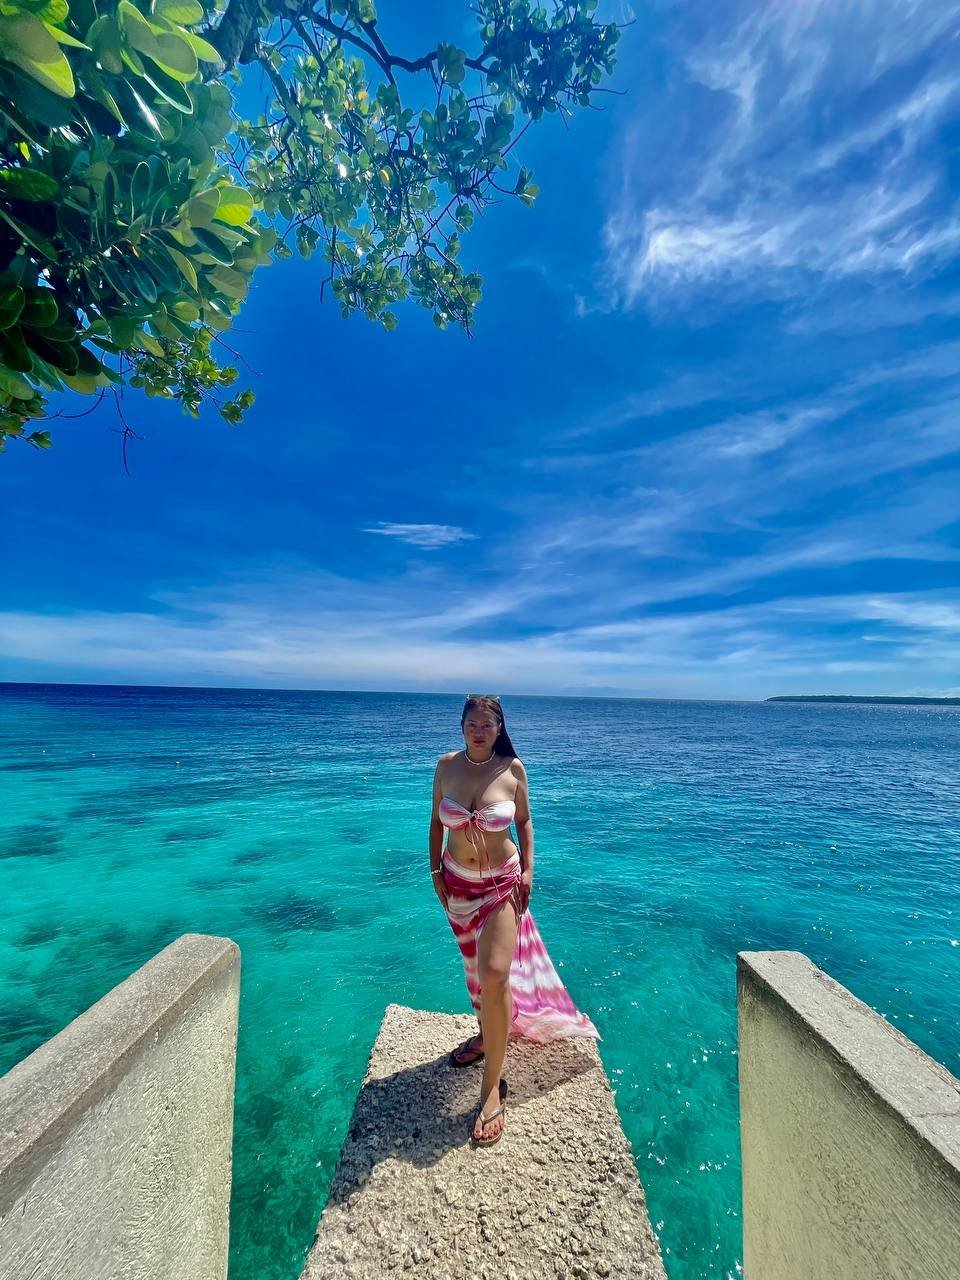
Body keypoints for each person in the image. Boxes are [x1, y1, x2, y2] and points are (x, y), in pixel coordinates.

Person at [429, 694, 598, 1148]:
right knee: (475, 974)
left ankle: (491, 1088)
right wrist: (434, 871)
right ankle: (488, 1035)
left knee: (495, 972)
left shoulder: (512, 769)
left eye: (487, 724)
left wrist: (527, 869)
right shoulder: (446, 767)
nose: (479, 731)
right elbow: (436, 824)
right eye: (472, 723)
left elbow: (524, 822)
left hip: (501, 884)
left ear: (499, 728)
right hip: (457, 884)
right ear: (462, 726)